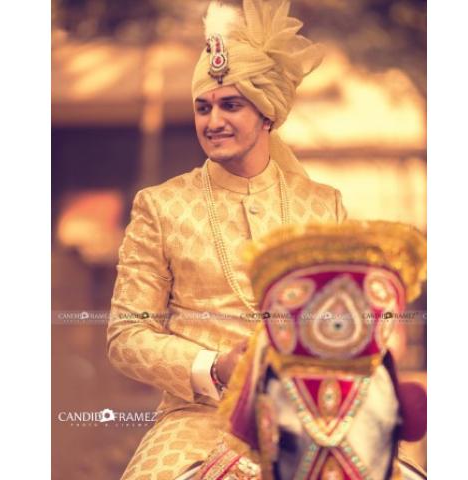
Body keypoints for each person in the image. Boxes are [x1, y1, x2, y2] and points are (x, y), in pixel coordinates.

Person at [107, 1, 346, 478]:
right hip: (196, 419)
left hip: (306, 418)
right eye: (204, 107)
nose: (213, 121)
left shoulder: (323, 206)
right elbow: (126, 335)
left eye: (231, 105)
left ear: (268, 115)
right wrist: (214, 366)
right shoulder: (161, 206)